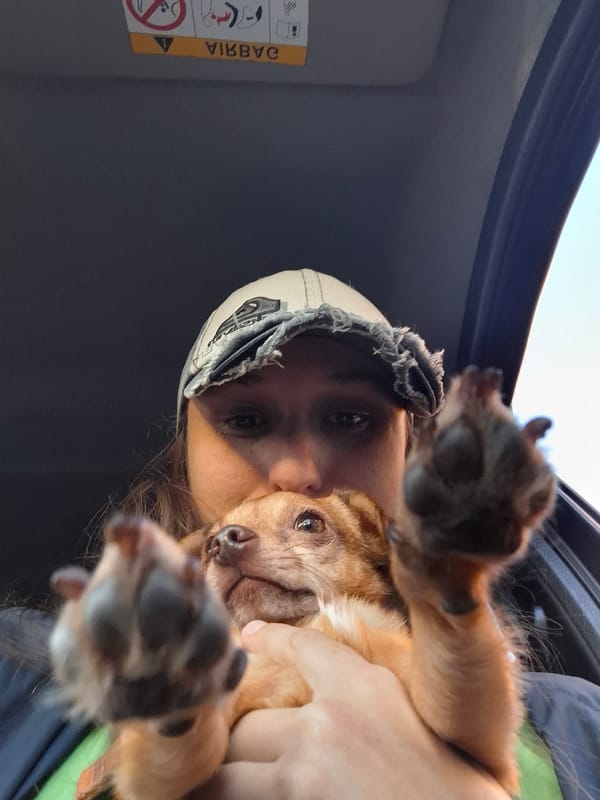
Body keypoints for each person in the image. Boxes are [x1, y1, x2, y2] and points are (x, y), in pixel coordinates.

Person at [1, 269, 598, 800]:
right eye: (246, 420)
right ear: (185, 459)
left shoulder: (580, 723)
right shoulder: (20, 676)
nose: (298, 472)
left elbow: (457, 703)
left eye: (350, 418)